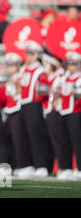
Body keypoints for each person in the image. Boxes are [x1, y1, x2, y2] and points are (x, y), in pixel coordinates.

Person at [18, 40, 54, 177]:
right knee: (24, 135)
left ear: (36, 55)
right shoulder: (23, 69)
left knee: (36, 136)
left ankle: (41, 166)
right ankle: (27, 165)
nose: (26, 56)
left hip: (34, 105)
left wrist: (41, 90)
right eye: (26, 53)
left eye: (29, 53)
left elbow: (45, 89)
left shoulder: (40, 71)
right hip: (24, 104)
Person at [55, 51, 81, 179]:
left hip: (76, 112)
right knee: (64, 141)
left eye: (72, 64)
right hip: (64, 111)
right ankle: (66, 167)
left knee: (77, 141)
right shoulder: (65, 77)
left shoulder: (79, 78)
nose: (69, 67)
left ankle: (80, 168)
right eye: (68, 64)